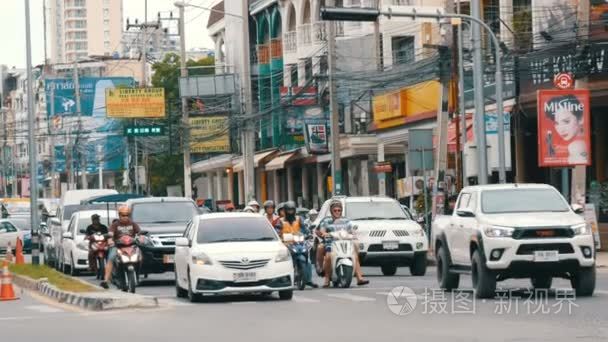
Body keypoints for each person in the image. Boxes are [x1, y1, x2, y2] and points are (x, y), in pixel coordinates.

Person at [316, 200, 369, 288]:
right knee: (329, 256)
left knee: (354, 255)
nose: (337, 212)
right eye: (335, 210)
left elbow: (351, 231)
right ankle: (327, 279)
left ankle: (359, 278)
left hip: (345, 242)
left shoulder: (346, 220)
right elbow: (322, 230)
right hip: (331, 243)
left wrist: (353, 234)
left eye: (339, 210)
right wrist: (325, 233)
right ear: (331, 211)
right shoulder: (326, 220)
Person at [100, 206, 141, 289]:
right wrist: (110, 239)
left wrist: (141, 237)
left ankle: (138, 275)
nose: (125, 217)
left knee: (140, 256)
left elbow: (139, 233)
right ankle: (106, 280)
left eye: (127, 215)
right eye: (123, 215)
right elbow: (110, 234)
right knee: (111, 258)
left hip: (131, 246)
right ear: (119, 215)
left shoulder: (133, 224)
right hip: (118, 247)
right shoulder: (115, 224)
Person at [280, 201, 317, 289]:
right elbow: (277, 230)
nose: (290, 212)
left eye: (292, 210)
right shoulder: (280, 221)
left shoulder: (299, 219)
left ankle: (308, 279)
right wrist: (279, 237)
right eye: (288, 210)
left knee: (307, 260)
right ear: (285, 211)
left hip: (298, 242)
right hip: (285, 244)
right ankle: (283, 279)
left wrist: (308, 233)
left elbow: (304, 228)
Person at [544, 94, 588, 164]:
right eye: (557, 123)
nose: (561, 130)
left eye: (566, 121)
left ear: (580, 119)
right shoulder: (583, 142)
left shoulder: (576, 146)